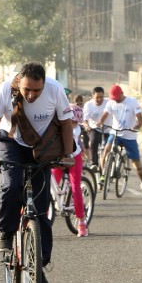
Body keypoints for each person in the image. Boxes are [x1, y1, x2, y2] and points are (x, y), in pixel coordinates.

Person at [0, 62, 75, 283]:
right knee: (12, 185)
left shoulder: (55, 90)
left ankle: (39, 265)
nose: (31, 95)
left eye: (37, 90)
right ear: (19, 85)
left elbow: (65, 124)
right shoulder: (6, 89)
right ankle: (5, 232)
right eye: (27, 90)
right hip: (11, 143)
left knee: (42, 211)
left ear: (44, 84)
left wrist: (67, 154)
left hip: (41, 148)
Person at [101, 84, 142, 198]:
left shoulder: (132, 102)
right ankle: (104, 175)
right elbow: (105, 115)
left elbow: (140, 120)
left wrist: (136, 126)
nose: (115, 100)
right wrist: (101, 123)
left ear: (121, 93)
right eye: (113, 98)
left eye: (116, 97)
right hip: (115, 133)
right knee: (106, 151)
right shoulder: (111, 102)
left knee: (137, 164)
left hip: (129, 135)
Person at [51, 92, 89, 237]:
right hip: (60, 158)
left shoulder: (75, 129)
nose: (70, 123)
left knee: (75, 187)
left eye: (74, 121)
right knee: (51, 184)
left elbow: (76, 142)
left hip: (74, 158)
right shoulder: (59, 126)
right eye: (68, 120)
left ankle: (81, 222)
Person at [81, 86, 109, 169]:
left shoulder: (109, 103)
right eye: (97, 97)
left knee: (109, 146)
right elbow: (84, 119)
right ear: (93, 96)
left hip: (108, 129)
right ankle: (94, 163)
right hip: (94, 128)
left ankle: (109, 162)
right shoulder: (88, 105)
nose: (100, 99)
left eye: (101, 97)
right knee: (93, 141)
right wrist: (86, 126)